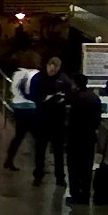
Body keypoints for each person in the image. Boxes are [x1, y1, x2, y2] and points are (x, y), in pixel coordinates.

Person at [29, 55, 72, 187]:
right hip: (42, 118)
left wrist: (62, 100)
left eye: (55, 69)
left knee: (58, 151)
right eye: (50, 68)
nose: (52, 71)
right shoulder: (38, 78)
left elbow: (69, 96)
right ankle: (38, 174)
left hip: (57, 120)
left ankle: (60, 177)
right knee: (40, 149)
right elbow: (33, 95)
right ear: (47, 65)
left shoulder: (63, 79)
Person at [64, 73, 103, 206]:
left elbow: (69, 118)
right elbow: (98, 118)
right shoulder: (94, 98)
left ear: (75, 84)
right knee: (87, 166)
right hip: (89, 136)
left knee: (74, 167)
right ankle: (85, 194)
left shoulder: (73, 98)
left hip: (75, 137)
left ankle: (75, 195)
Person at [3, 60, 40, 171]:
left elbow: (13, 89)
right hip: (31, 108)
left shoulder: (17, 74)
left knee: (19, 136)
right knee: (38, 137)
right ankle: (39, 164)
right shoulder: (36, 74)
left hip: (18, 108)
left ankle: (9, 159)